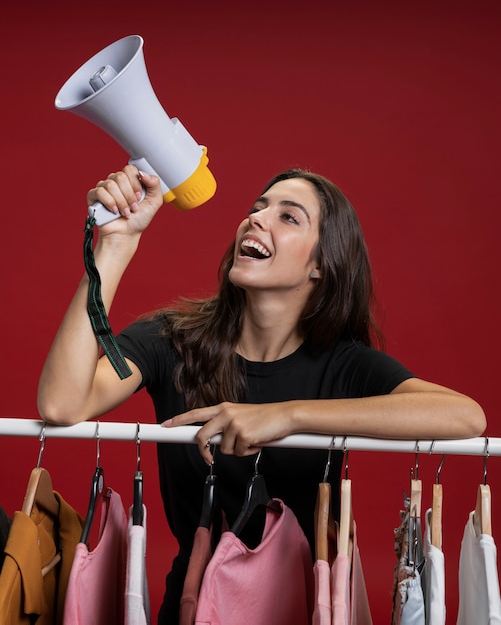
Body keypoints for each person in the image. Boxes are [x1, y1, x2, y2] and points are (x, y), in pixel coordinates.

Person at [38, 165, 486, 623]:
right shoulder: (170, 339)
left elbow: (465, 416)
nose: (256, 219)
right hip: (193, 605)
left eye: (288, 217)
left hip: (299, 608)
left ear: (320, 265)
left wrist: (286, 416)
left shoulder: (343, 363)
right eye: (257, 208)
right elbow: (62, 404)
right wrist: (114, 245)